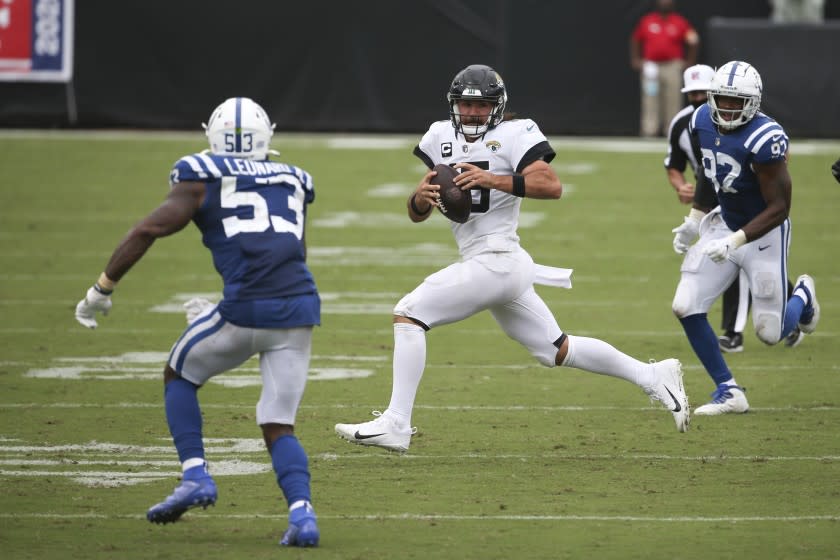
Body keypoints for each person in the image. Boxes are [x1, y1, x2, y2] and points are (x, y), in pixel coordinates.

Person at [334, 64, 690, 452]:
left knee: (409, 313)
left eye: (481, 106)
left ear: (497, 106)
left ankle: (396, 424)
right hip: (496, 263)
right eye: (464, 106)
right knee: (556, 350)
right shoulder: (439, 135)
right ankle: (654, 375)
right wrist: (420, 197)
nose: (471, 114)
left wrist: (493, 179)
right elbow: (418, 212)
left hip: (498, 259)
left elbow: (551, 186)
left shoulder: (515, 133)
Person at [74, 97, 321, 547]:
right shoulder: (294, 178)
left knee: (179, 373)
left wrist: (102, 289)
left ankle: (195, 475)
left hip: (245, 307)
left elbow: (149, 229)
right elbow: (294, 253)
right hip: (299, 308)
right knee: (278, 422)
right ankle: (302, 515)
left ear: (213, 135)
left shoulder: (199, 173)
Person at [670, 61, 820, 415]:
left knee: (771, 333)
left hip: (763, 232)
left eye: (736, 102)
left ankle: (803, 294)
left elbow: (780, 207)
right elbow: (711, 172)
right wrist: (694, 220)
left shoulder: (765, 138)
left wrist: (736, 241)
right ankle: (729, 390)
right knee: (685, 305)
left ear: (753, 102)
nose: (727, 108)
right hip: (722, 224)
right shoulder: (701, 121)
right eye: (722, 99)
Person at [630, 0, 699, 138]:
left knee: (673, 98)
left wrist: (689, 62)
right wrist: (636, 59)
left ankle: (672, 130)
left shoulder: (680, 22)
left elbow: (694, 41)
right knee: (650, 98)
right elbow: (636, 39)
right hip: (651, 67)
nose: (665, 2)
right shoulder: (647, 21)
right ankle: (649, 130)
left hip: (672, 66)